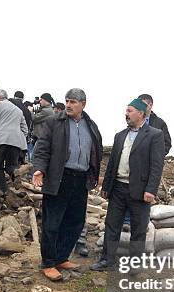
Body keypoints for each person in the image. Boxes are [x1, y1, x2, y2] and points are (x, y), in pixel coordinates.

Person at [32, 88, 103, 281]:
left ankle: (61, 257)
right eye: (67, 101)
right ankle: (48, 262)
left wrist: (94, 175)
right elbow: (42, 147)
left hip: (81, 179)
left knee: (74, 221)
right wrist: (39, 169)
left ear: (83, 104)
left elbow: (96, 152)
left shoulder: (91, 126)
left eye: (73, 102)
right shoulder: (54, 122)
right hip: (59, 177)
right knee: (52, 222)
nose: (69, 105)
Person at [91, 99, 165, 271]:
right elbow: (112, 164)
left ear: (140, 113)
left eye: (130, 111)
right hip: (118, 187)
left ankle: (134, 264)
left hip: (140, 190)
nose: (126, 114)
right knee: (112, 224)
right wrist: (106, 187)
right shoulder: (120, 135)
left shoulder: (154, 135)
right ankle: (107, 260)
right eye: (126, 111)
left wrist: (151, 190)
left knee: (138, 229)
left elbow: (156, 165)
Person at [0, 89, 28, 195]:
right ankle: (14, 173)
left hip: (1, 140)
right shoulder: (18, 110)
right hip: (16, 143)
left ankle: (3, 190)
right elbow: (25, 129)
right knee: (11, 166)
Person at [30, 93, 55, 162]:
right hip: (40, 137)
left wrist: (31, 111)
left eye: (41, 100)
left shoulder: (47, 111)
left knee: (33, 158)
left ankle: (33, 172)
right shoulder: (47, 109)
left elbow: (34, 118)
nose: (40, 102)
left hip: (41, 137)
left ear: (45, 100)